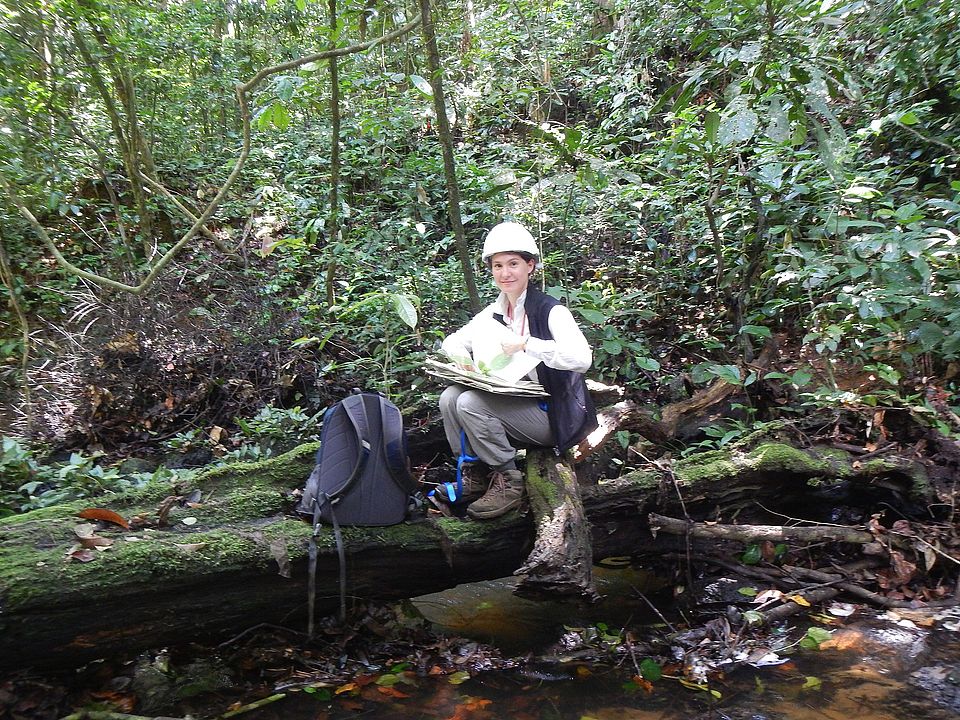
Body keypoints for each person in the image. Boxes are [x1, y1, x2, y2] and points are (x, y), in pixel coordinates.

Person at [437, 221, 597, 519]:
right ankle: (474, 473)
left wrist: (528, 344)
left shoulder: (551, 311)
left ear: (530, 266)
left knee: (470, 403)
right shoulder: (494, 312)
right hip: (518, 408)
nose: (505, 273)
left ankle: (508, 480)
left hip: (555, 415)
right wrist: (459, 354)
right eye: (498, 266)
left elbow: (581, 359)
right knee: (450, 397)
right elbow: (453, 340)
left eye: (513, 264)